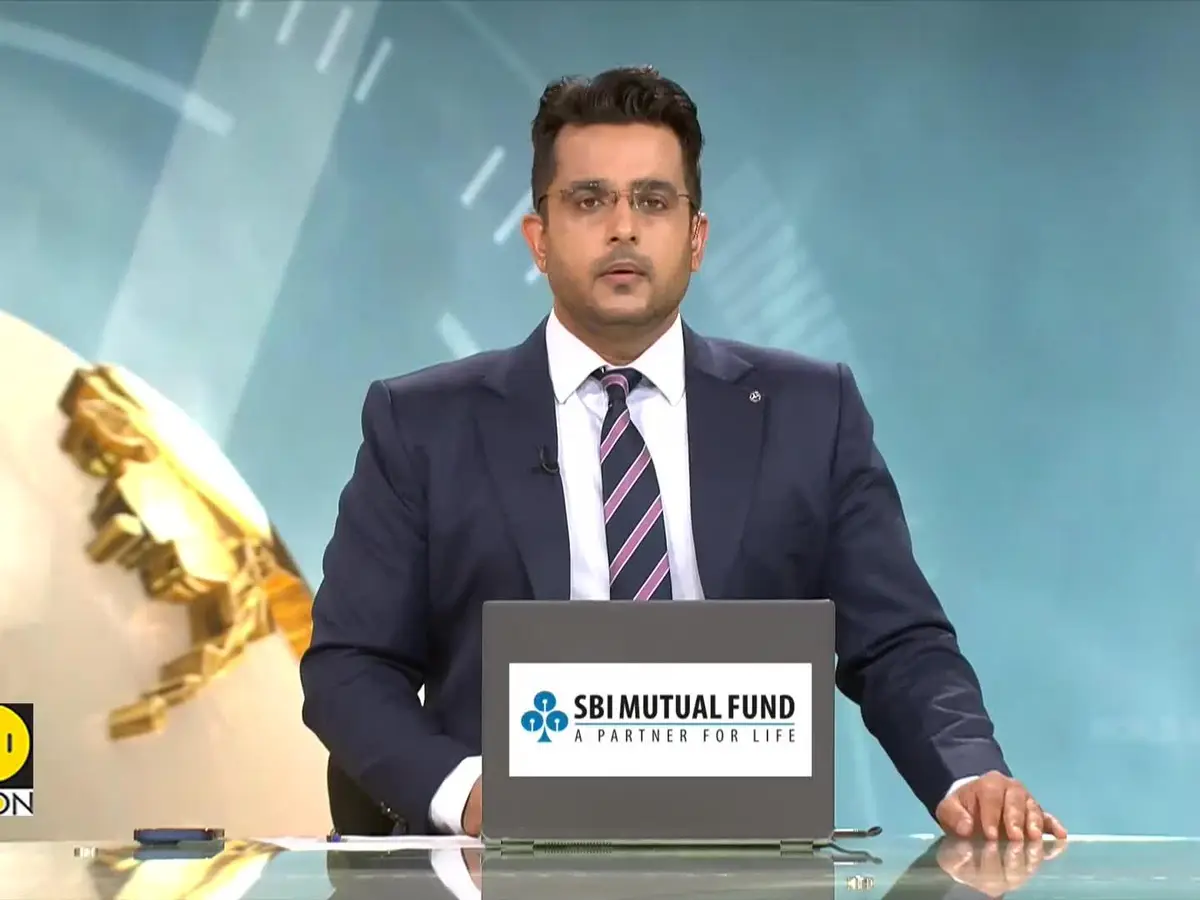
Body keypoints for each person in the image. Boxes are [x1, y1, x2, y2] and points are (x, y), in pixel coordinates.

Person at [300, 66, 1067, 843]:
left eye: (654, 202)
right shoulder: (423, 425)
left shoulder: (810, 413)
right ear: (539, 239)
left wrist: (968, 775)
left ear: (696, 239)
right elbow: (350, 667)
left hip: (750, 861)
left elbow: (898, 642)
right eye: (589, 200)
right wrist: (467, 794)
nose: (623, 229)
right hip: (501, 862)